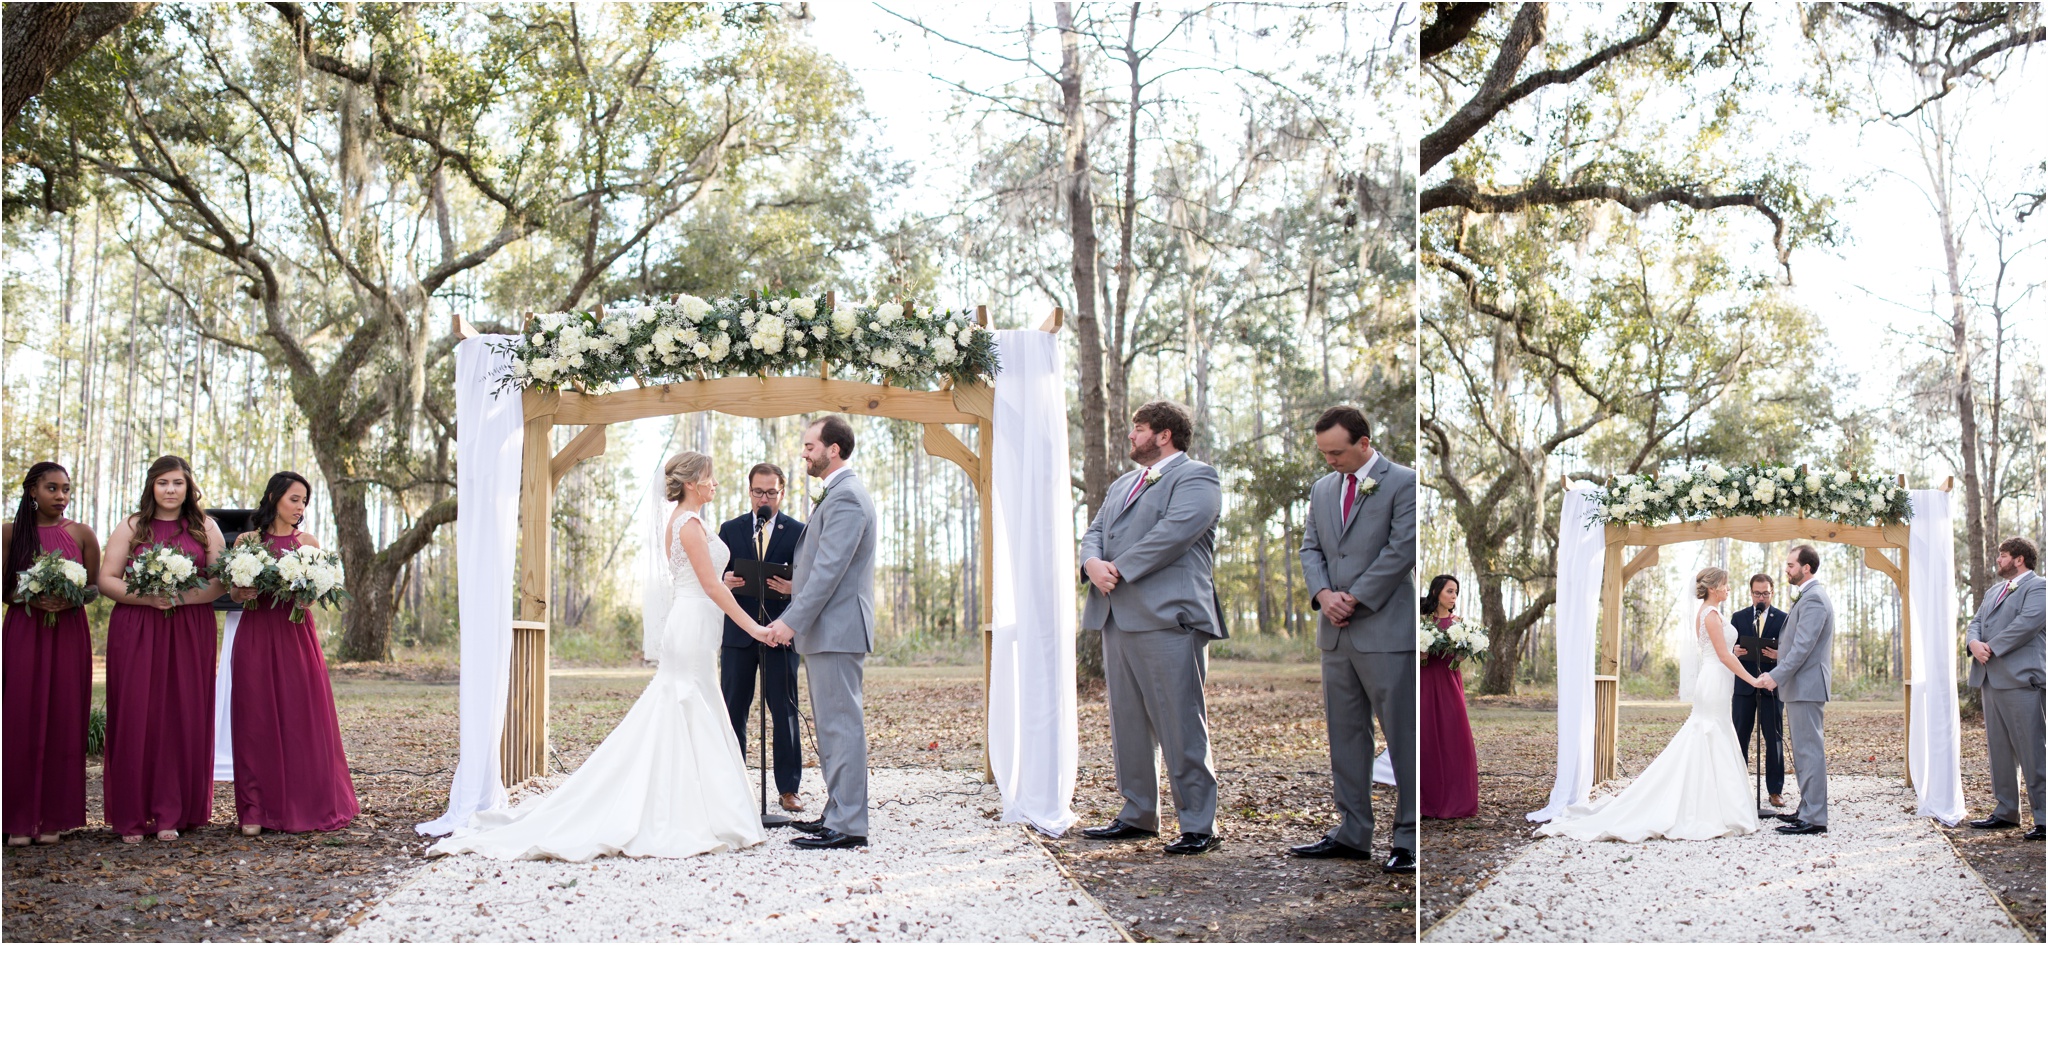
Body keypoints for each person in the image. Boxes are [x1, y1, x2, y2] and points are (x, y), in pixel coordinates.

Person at [431, 452, 772, 861]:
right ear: (693, 483)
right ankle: (687, 812)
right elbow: (709, 589)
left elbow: (706, 583)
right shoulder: (690, 525)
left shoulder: (684, 522)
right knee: (685, 705)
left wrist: (723, 582)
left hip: (696, 622)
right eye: (710, 478)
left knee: (690, 705)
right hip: (692, 623)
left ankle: (697, 804)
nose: (716, 484)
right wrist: (754, 628)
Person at [1075, 401, 1226, 856]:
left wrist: (1117, 568)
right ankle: (1138, 813)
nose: (1131, 437)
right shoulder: (1123, 483)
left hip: (1168, 616)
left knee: (1179, 720)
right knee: (1128, 721)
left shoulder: (1198, 477)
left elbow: (1176, 531)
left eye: (1138, 429)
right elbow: (1094, 530)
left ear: (1164, 435)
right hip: (1116, 614)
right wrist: (1091, 563)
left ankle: (1200, 822)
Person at [1538, 568, 1763, 842]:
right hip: (1715, 680)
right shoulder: (1711, 615)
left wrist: (1733, 653)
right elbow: (1723, 657)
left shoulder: (1706, 613)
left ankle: (1716, 803)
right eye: (1726, 584)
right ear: (1714, 588)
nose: (1729, 589)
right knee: (1711, 734)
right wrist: (1753, 680)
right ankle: (1709, 808)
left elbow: (1721, 652)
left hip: (1716, 679)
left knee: (1714, 733)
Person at [1295, 406, 1417, 872]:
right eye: (1324, 453)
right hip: (1335, 634)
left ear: (1364, 443)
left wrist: (1356, 598)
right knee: (1345, 737)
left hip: (1384, 629)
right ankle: (1352, 832)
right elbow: (1311, 547)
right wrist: (1324, 594)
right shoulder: (1322, 489)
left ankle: (1407, 838)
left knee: (1403, 736)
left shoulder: (1402, 481)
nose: (1330, 461)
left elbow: (1402, 548)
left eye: (1337, 452)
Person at [97, 455, 227, 844]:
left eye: (178, 483)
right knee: (139, 713)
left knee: (182, 713)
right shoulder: (133, 526)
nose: (171, 490)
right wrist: (147, 598)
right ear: (151, 486)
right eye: (163, 483)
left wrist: (181, 600)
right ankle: (132, 814)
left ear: (189, 488)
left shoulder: (206, 526)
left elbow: (221, 581)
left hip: (189, 628)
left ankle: (174, 811)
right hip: (138, 626)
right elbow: (106, 579)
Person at [765, 417, 880, 851]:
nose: (804, 453)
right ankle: (837, 812)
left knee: (841, 726)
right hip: (829, 629)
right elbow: (822, 568)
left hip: (837, 629)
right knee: (833, 727)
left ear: (833, 449)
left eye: (810, 446)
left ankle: (850, 825)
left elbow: (829, 571)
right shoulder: (839, 494)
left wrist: (791, 620)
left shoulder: (847, 498)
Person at [225, 472, 359, 835]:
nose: (300, 508)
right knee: (255, 717)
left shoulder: (308, 542)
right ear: (273, 497)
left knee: (301, 717)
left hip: (294, 634)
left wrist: (308, 595)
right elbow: (233, 593)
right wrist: (242, 592)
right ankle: (255, 809)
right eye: (294, 499)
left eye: (304, 501)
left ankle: (305, 803)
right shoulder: (247, 541)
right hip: (254, 633)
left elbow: (317, 592)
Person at [3, 462, 100, 846]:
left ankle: (53, 817)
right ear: (32, 491)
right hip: (25, 631)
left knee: (63, 715)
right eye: (52, 489)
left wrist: (70, 597)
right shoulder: (10, 533)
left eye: (66, 490)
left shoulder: (81, 533)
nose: (61, 497)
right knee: (18, 716)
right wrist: (32, 596)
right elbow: (2, 590)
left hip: (68, 634)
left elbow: (94, 588)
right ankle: (16, 816)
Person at [717, 463, 806, 812]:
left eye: (771, 492)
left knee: (783, 710)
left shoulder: (799, 531)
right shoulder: (731, 529)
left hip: (780, 634)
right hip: (738, 636)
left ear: (782, 493)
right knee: (733, 709)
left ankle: (788, 789)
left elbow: (813, 579)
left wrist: (793, 587)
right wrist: (725, 581)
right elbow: (714, 575)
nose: (764, 498)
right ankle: (733, 785)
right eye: (758, 492)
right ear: (749, 491)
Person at [1964, 537, 2045, 842]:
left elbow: (2028, 623)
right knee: (1999, 750)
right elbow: (1976, 622)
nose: (1997, 560)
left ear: (2020, 559)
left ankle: (2044, 816)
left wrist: (1991, 647)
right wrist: (1974, 643)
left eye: (2002, 556)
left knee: (2033, 750)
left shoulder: (2039, 586)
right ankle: (2006, 811)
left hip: (2022, 680)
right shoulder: (1993, 590)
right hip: (1990, 679)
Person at [1758, 545, 1836, 836]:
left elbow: (1804, 647)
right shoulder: (1809, 596)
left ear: (1807, 567)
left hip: (1807, 686)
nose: (1787, 569)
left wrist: (1776, 675)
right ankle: (1807, 808)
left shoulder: (1814, 599)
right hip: (1801, 684)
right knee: (1804, 752)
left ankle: (1815, 817)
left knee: (1809, 751)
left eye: (1791, 565)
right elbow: (1802, 644)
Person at [1418, 574, 1478, 821]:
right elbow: (1419, 659)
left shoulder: (1460, 624)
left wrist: (1461, 655)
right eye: (1449, 592)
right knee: (1427, 737)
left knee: (1454, 736)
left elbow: (1458, 661)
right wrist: (1421, 653)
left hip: (1450, 682)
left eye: (1456, 592)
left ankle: (1457, 800)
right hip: (1425, 682)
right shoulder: (1422, 622)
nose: (1453, 597)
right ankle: (1427, 801)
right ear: (1436, 593)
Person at [1730, 573, 1788, 808]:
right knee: (1739, 737)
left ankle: (1775, 791)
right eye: (1757, 593)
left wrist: (1779, 654)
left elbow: (1792, 649)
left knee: (1773, 739)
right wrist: (1734, 651)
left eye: (1765, 593)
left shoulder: (1784, 618)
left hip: (1771, 688)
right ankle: (1738, 787)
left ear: (1772, 593)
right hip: (1744, 687)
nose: (1761, 597)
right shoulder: (1739, 617)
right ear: (1751, 593)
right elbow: (1727, 649)